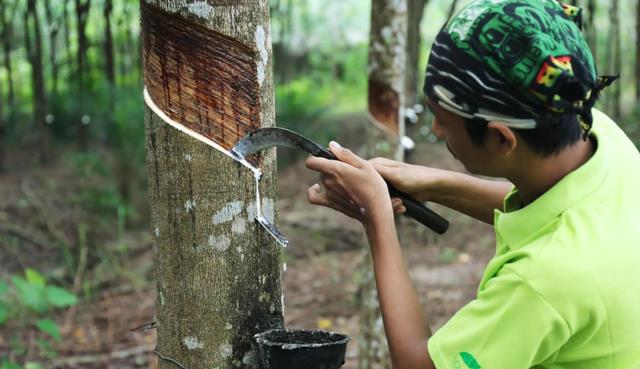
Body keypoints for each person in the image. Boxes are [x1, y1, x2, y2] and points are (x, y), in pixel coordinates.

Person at [305, 1, 640, 368]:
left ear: (501, 138)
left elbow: (419, 365)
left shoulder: (545, 281)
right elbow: (552, 214)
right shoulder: (593, 131)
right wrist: (437, 184)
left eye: (443, 121)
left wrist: (376, 217)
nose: (434, 130)